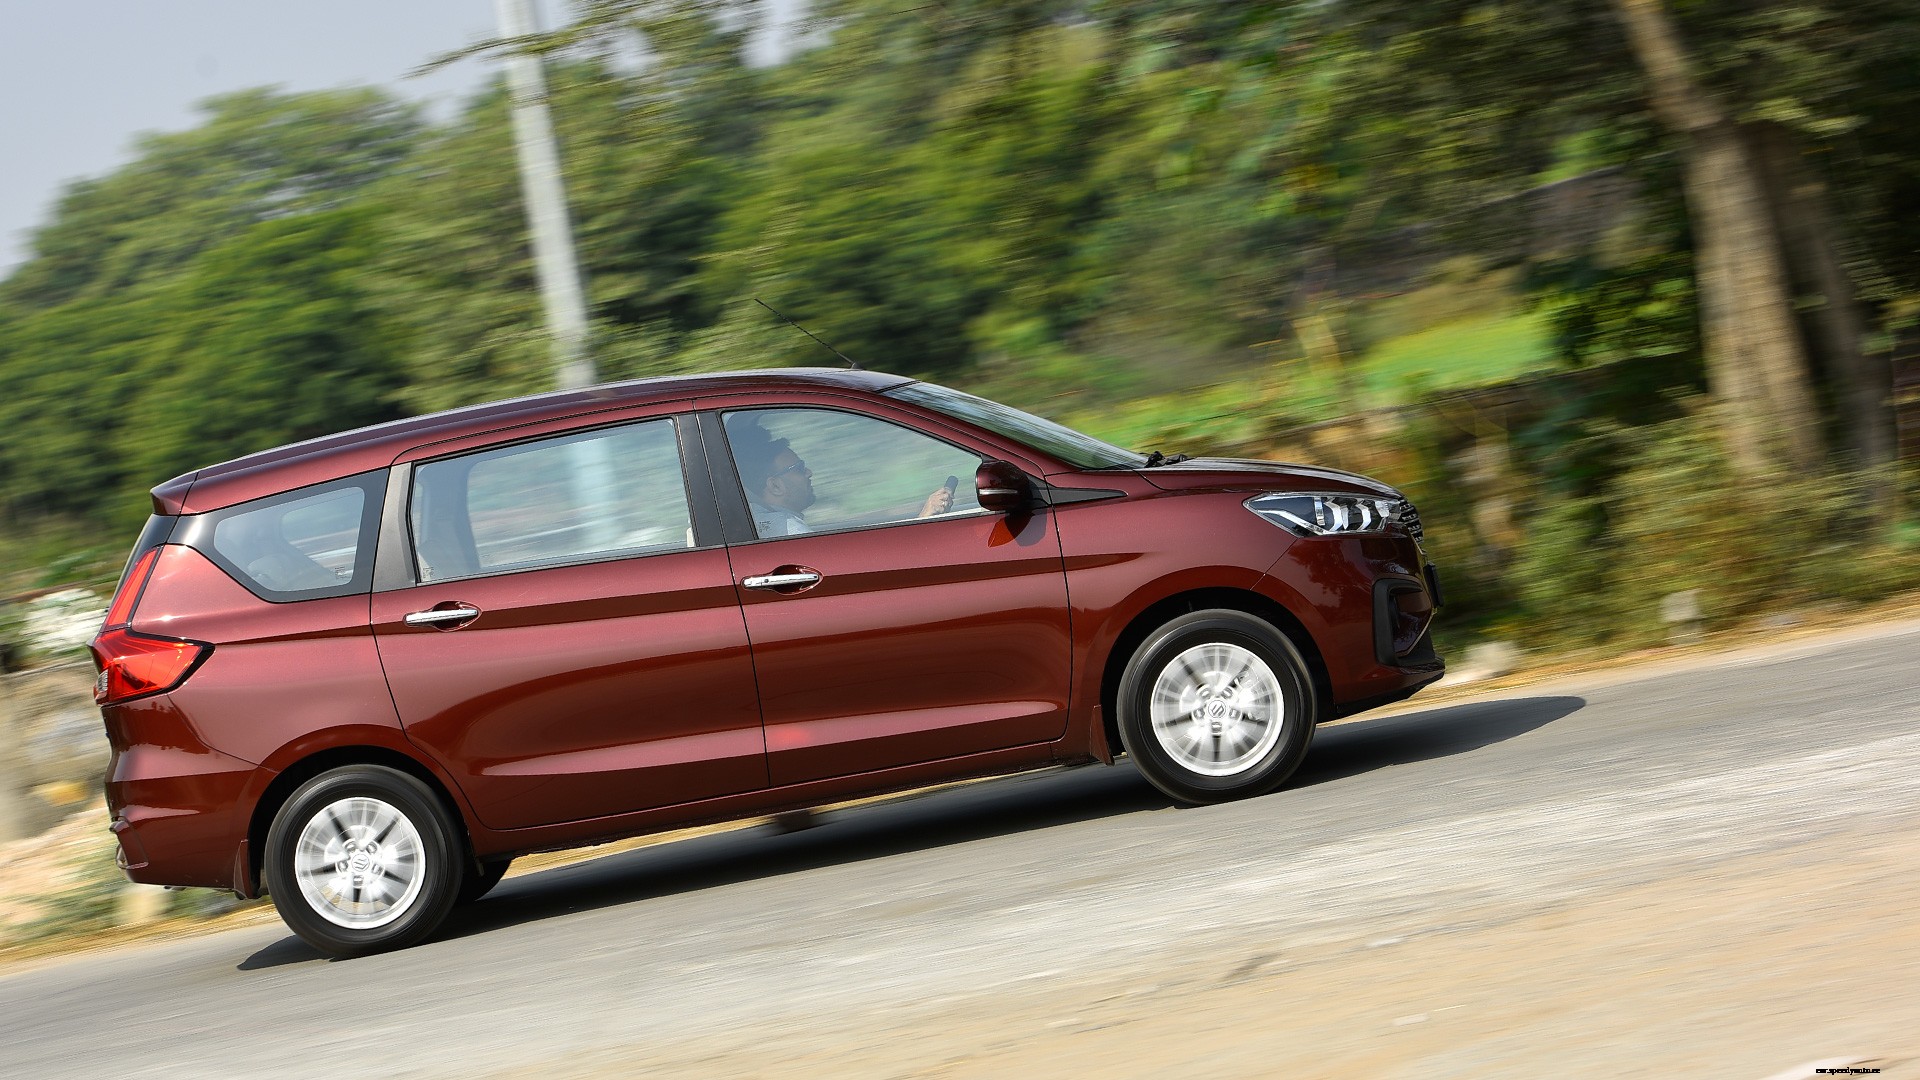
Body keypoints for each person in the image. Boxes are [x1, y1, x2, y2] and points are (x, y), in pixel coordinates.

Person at [727, 414, 954, 538]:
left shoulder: (760, 520)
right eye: (798, 468)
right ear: (775, 486)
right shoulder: (790, 532)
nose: (809, 472)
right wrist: (924, 519)